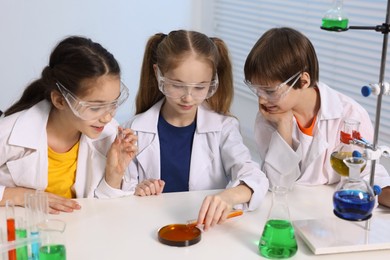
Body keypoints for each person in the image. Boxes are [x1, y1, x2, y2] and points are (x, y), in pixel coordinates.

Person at [95, 30, 269, 230]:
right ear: (157, 73)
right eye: (177, 85)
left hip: (205, 232)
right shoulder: (134, 130)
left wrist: (229, 196)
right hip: (148, 230)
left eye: (200, 87)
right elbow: (116, 199)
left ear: (213, 81)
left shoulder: (223, 128)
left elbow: (255, 176)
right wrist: (136, 190)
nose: (188, 97)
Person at [243, 27, 390, 207]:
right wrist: (284, 126)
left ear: (304, 81)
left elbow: (367, 173)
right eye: (257, 90)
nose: (262, 99)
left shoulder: (350, 114)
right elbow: (278, 184)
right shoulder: (269, 117)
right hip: (290, 207)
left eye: (270, 91)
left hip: (334, 210)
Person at [0, 36, 138, 214]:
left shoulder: (108, 134)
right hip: (24, 236)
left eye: (113, 104)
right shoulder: (10, 133)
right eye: (95, 107)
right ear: (59, 100)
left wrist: (114, 175)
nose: (107, 117)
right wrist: (21, 196)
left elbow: (104, 212)